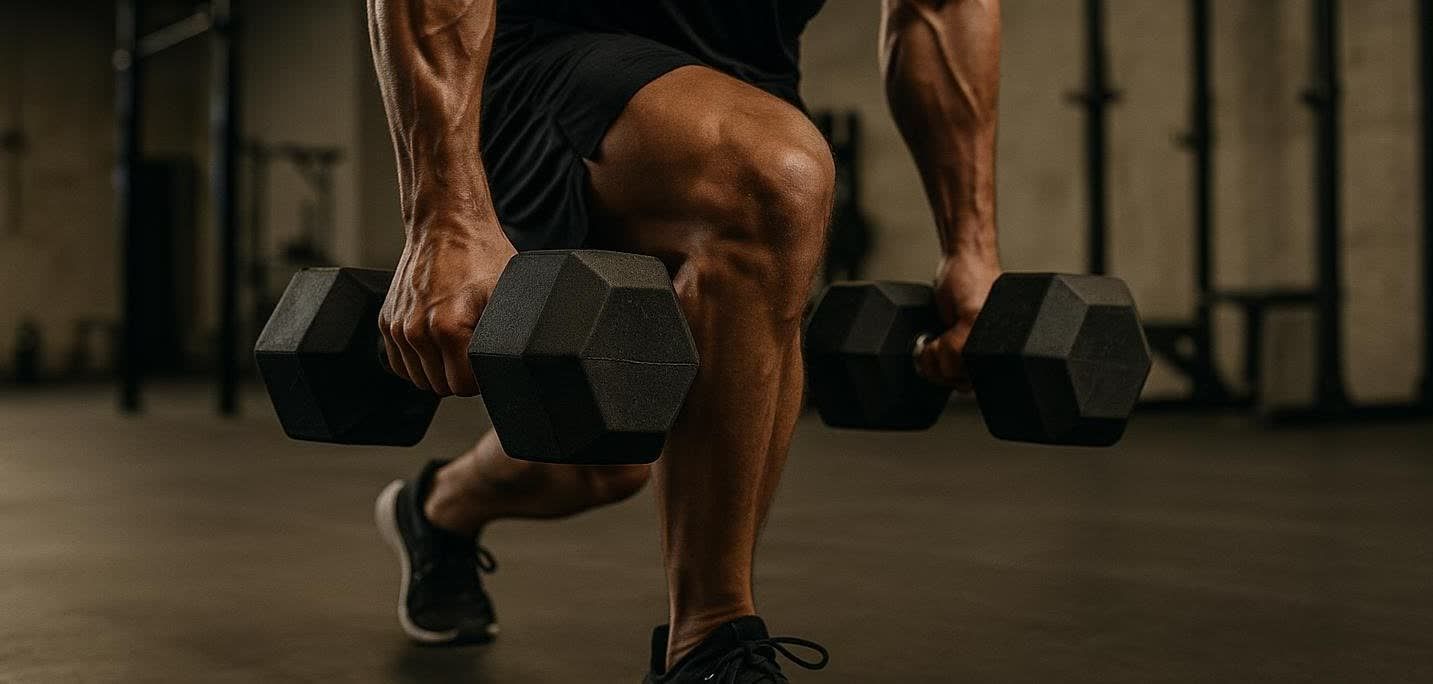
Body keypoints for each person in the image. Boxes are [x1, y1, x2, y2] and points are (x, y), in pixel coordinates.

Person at [365, 0, 1002, 680]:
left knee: (603, 458)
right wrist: (442, 213)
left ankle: (436, 511)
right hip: (532, 56)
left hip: (748, 79)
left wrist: (970, 246)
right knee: (773, 177)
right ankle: (711, 644)